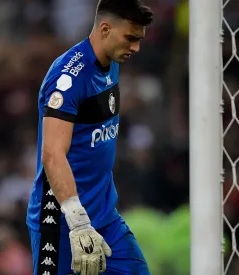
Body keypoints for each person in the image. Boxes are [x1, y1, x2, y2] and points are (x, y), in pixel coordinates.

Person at [25, 0, 153, 274]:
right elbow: (52, 154)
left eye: (139, 40)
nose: (136, 48)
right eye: (130, 38)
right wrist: (78, 222)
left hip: (105, 219)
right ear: (104, 29)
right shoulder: (67, 77)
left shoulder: (112, 62)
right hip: (61, 223)